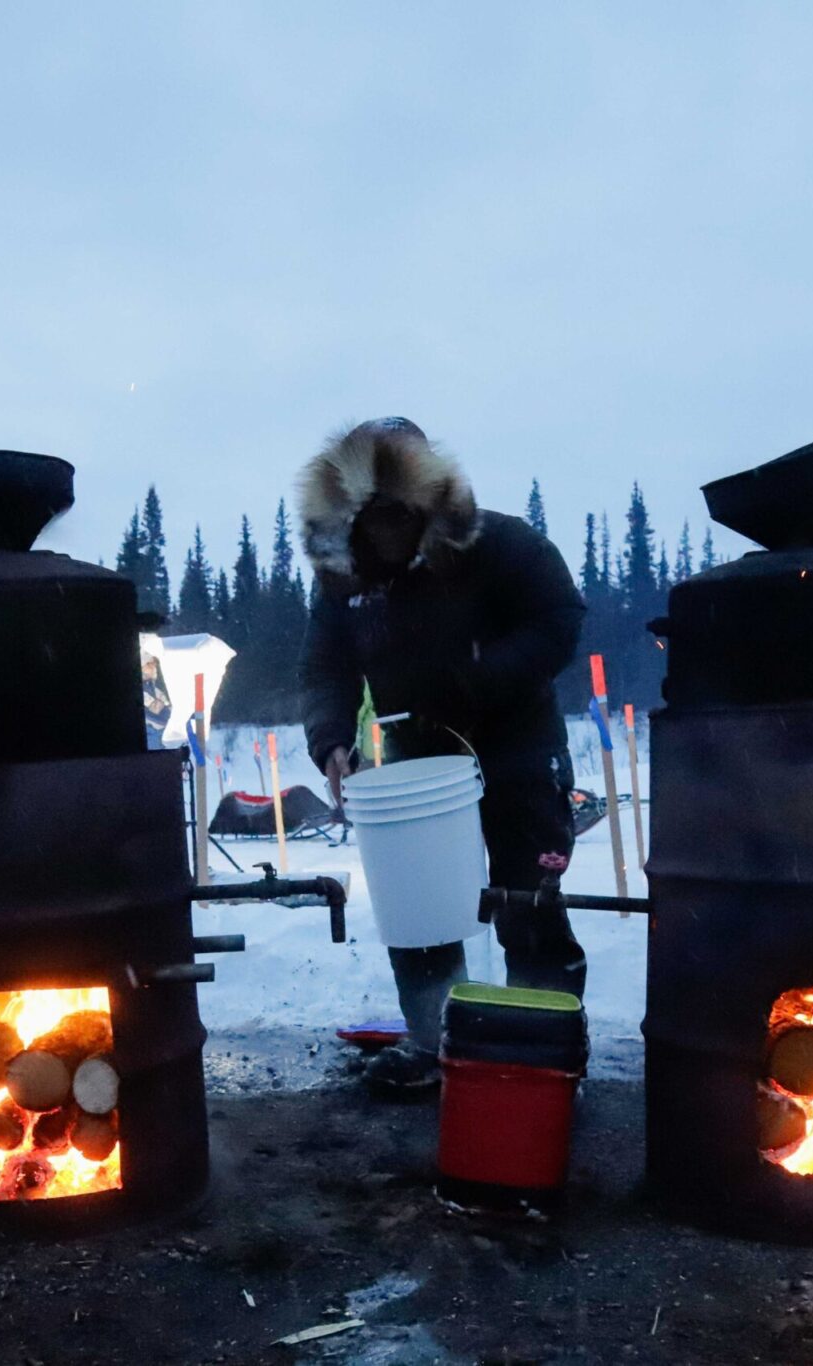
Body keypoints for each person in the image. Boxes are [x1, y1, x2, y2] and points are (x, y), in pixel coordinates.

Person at [298, 417, 587, 1091]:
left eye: (400, 514)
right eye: (373, 517)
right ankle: (434, 1044)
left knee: (528, 902)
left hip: (517, 745)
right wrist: (331, 740)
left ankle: (541, 1050)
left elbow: (559, 620)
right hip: (415, 758)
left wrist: (478, 678)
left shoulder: (502, 543)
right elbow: (325, 666)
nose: (388, 531)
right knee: (419, 908)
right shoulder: (343, 576)